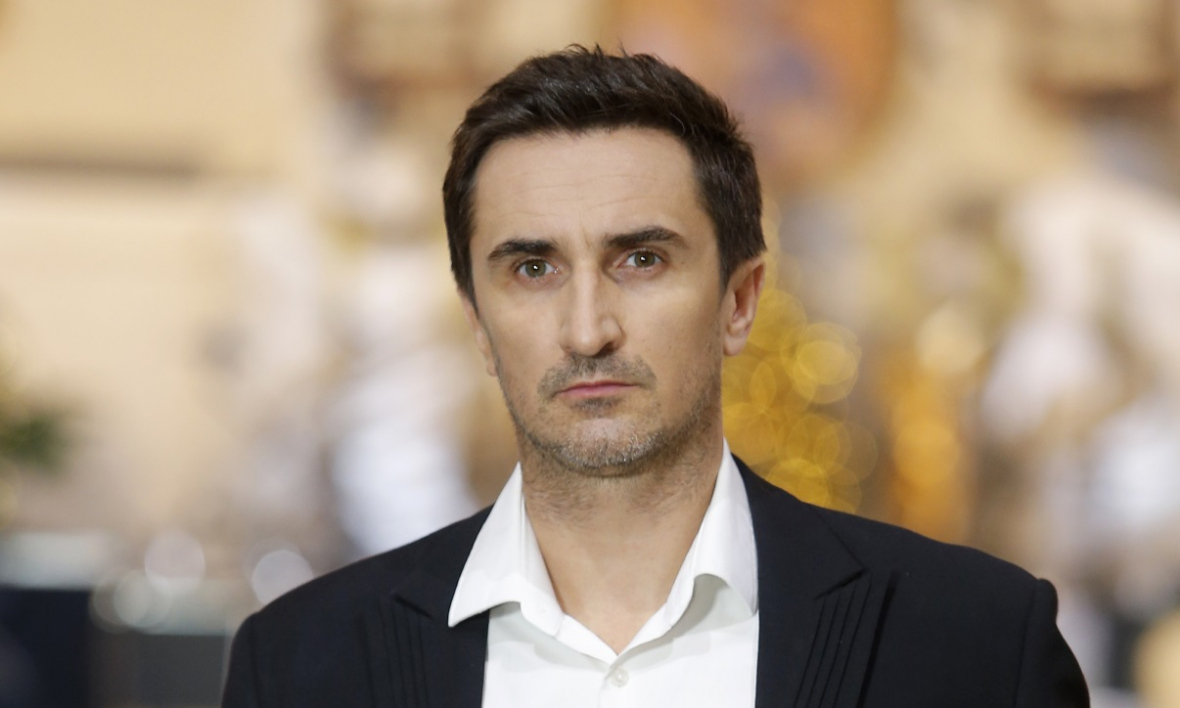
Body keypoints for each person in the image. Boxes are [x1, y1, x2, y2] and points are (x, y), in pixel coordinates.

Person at [221, 46, 1089, 707]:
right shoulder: (299, 664)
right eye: (532, 269)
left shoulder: (976, 644)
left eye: (640, 260)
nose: (588, 330)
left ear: (739, 301)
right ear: (476, 323)